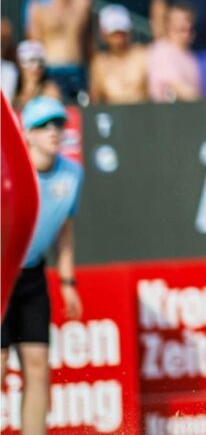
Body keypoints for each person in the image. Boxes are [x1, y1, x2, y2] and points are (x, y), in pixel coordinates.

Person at [3, 99, 83, 435]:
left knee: (37, 367)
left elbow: (64, 228)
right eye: (44, 125)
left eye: (58, 124)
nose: (54, 131)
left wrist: (67, 281)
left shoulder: (72, 174)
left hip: (32, 275)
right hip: (1, 276)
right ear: (27, 134)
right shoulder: (10, 174)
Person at [24, 0, 92, 103]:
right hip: (51, 69)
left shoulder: (81, 2)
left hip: (76, 68)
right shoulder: (37, 7)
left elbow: (88, 42)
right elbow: (34, 43)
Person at [87, 6, 149, 106]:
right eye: (114, 33)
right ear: (104, 34)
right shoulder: (99, 64)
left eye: (122, 32)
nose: (119, 38)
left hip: (143, 112)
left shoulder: (143, 55)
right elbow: (95, 99)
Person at [146, 3, 205, 102]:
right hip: (167, 110)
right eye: (181, 27)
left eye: (188, 20)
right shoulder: (160, 50)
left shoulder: (191, 57)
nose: (186, 24)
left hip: (189, 108)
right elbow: (178, 88)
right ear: (168, 25)